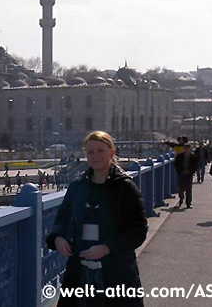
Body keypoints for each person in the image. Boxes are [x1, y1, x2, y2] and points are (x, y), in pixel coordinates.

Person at [47, 131, 147, 307]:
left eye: (100, 151)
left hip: (116, 271)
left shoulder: (125, 188)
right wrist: (58, 238)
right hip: (80, 270)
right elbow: (62, 219)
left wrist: (108, 247)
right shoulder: (77, 187)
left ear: (112, 153)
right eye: (90, 152)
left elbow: (138, 231)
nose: (95, 156)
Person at [174, 143, 198, 209]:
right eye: (186, 148)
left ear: (190, 149)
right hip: (181, 174)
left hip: (189, 175)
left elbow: (195, 166)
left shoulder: (193, 157)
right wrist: (180, 171)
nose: (187, 150)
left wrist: (190, 171)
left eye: (188, 148)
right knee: (181, 188)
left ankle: (188, 203)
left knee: (189, 189)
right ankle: (181, 199)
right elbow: (176, 165)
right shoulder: (179, 156)